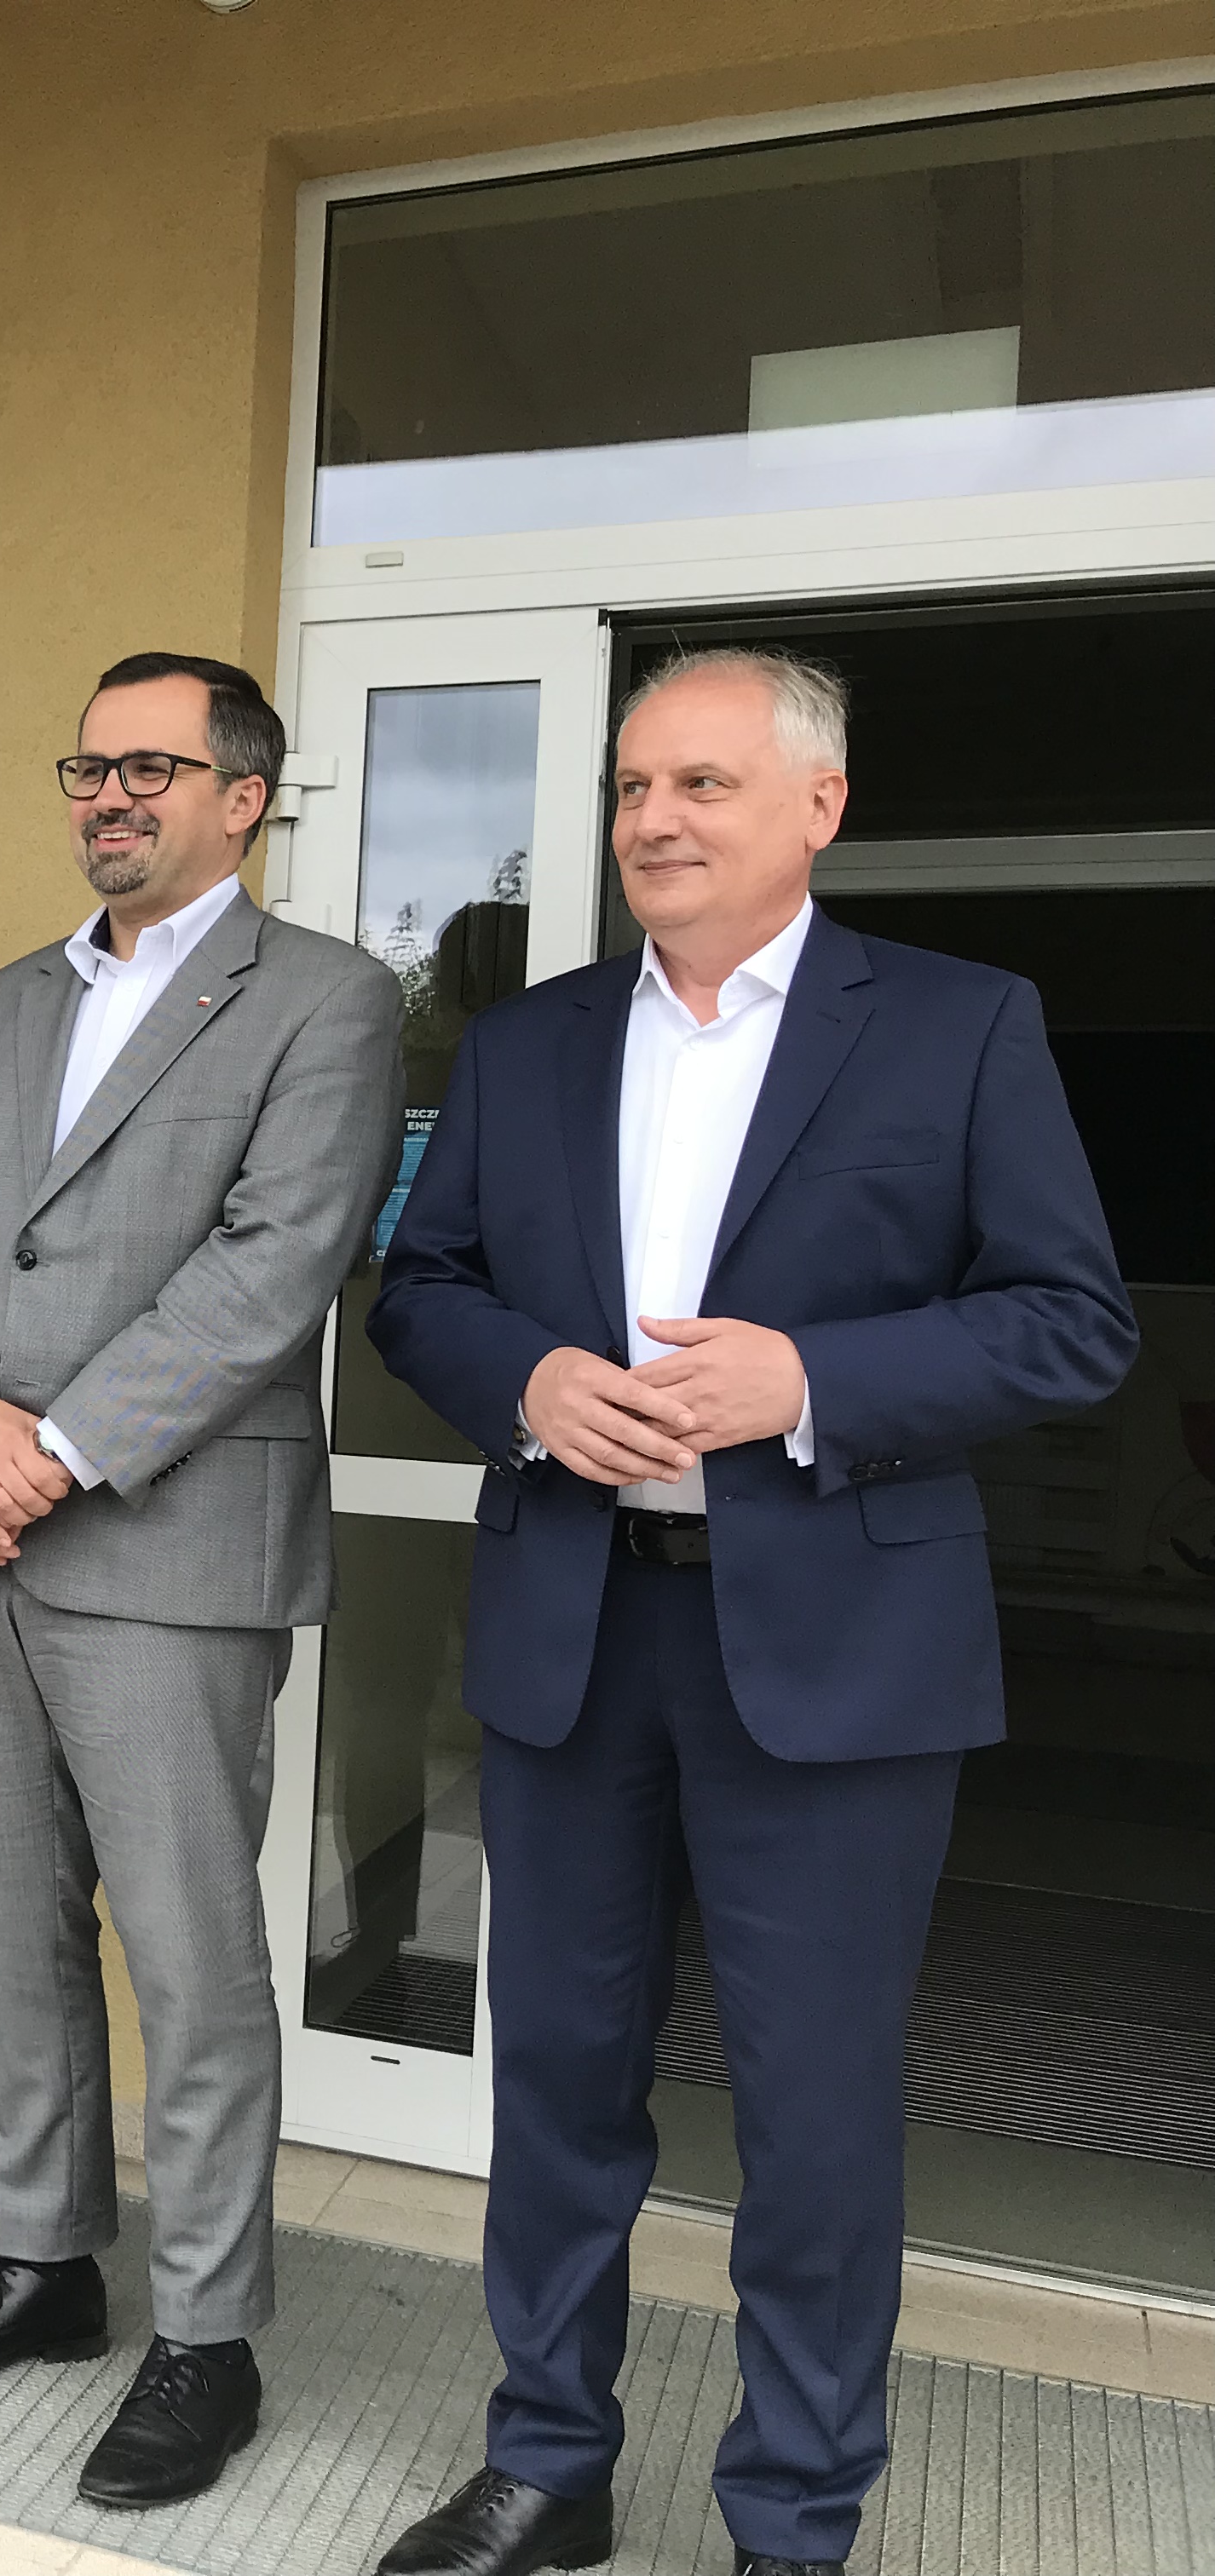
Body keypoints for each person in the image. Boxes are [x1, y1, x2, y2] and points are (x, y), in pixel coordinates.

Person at [361, 651, 1135, 2576]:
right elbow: (422, 1284)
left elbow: (1070, 1320)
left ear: (819, 806)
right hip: (578, 1629)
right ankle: (548, 2463)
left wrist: (813, 1381)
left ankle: (793, 2514)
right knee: (558, 2078)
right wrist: (529, 1382)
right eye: (634, 787)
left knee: (813, 2111)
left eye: (700, 783)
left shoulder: (957, 1024)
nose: (654, 819)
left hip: (837, 1650)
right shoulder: (529, 1043)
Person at [0, 653, 403, 2508]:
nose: (108, 795)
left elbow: (276, 1262)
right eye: (88, 767)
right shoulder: (11, 1001)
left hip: (165, 1550)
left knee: (191, 1959)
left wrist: (58, 1446)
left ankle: (208, 2335)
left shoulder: (326, 1000)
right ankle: (45, 2264)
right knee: (7, 1930)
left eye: (150, 768)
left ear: (244, 797)